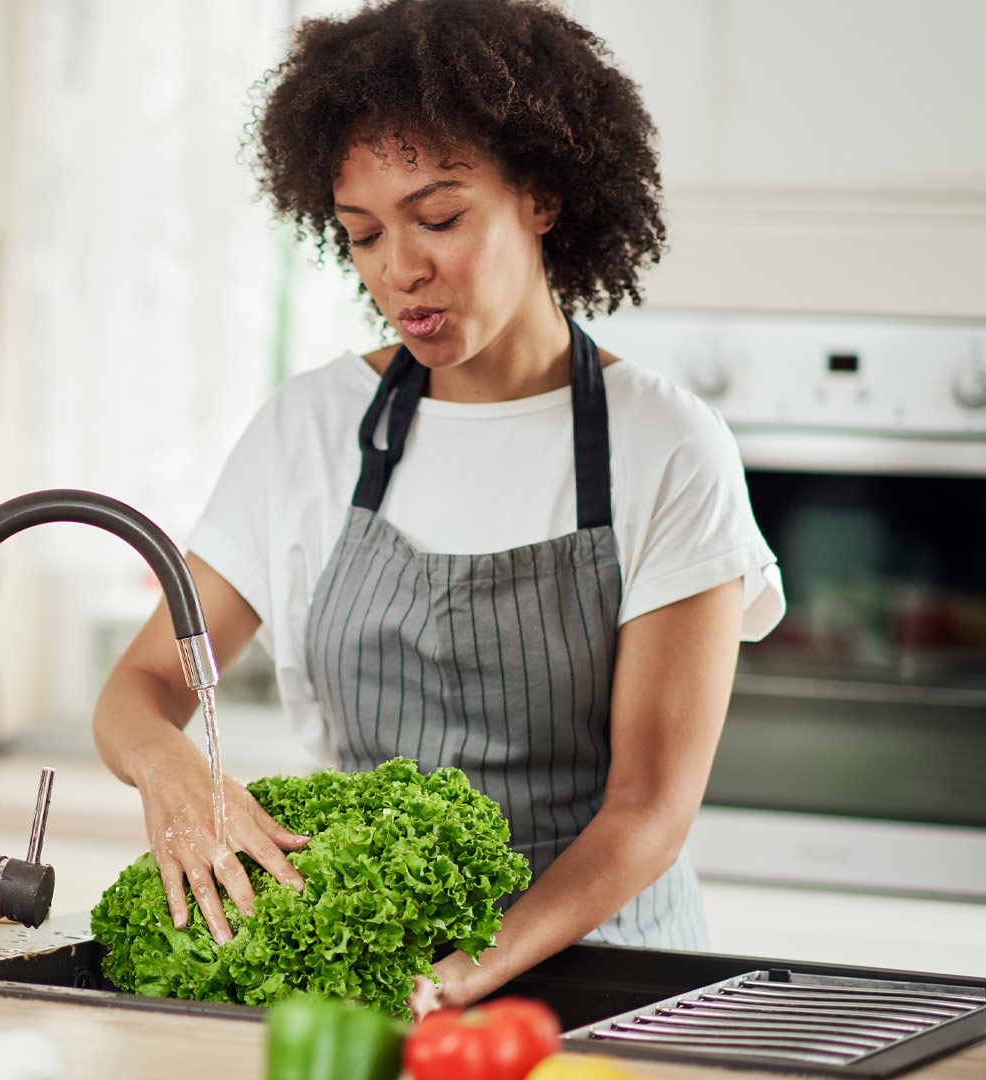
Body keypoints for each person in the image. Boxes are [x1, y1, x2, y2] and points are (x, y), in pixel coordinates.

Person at [91, 0, 785, 1018]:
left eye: (439, 218)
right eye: (362, 234)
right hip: (382, 982)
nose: (397, 269)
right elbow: (145, 682)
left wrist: (471, 969)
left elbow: (648, 811)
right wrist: (174, 772)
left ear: (542, 195)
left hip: (613, 987)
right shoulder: (310, 430)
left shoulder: (666, 447)